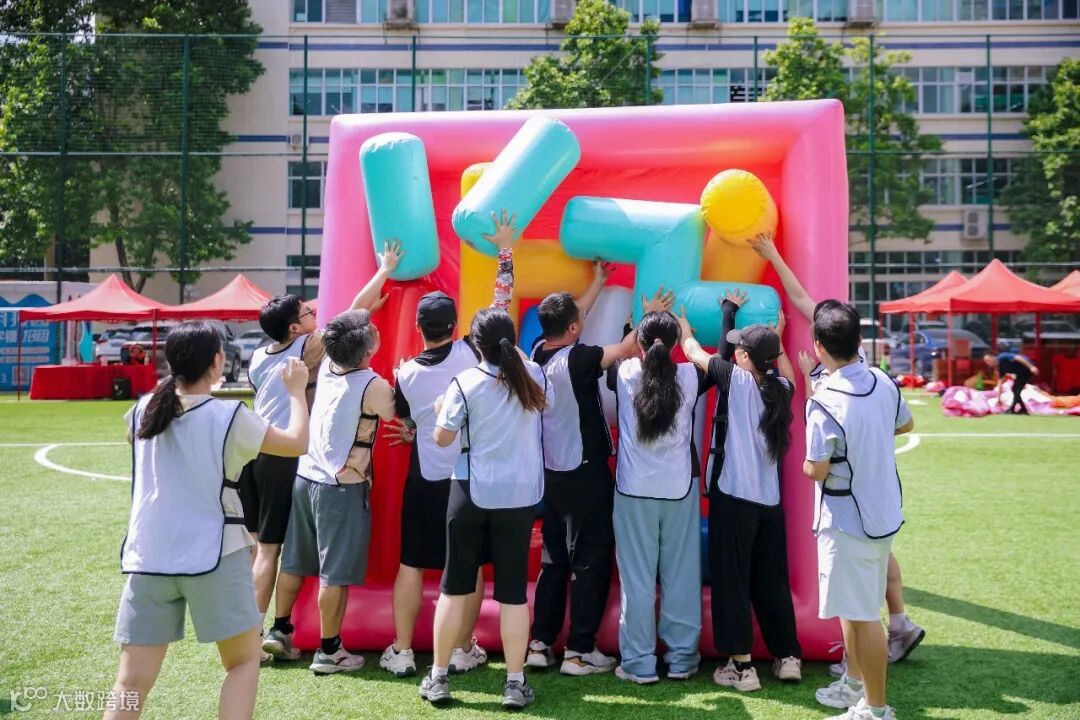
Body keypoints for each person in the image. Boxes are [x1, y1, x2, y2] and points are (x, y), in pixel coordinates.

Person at [105, 321, 311, 720]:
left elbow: (144, 430)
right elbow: (297, 443)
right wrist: (296, 393)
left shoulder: (143, 410)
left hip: (148, 556)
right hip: (216, 553)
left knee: (130, 683)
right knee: (242, 662)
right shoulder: (229, 416)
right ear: (218, 362)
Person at [750, 233, 925, 669]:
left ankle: (856, 673)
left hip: (850, 505)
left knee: (853, 597)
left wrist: (811, 384)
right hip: (882, 497)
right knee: (879, 560)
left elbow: (818, 457)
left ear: (821, 344)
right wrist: (774, 254)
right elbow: (904, 423)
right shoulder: (874, 373)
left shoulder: (830, 388)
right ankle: (899, 624)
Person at [379, 211, 518, 678]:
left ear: (419, 328)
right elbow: (501, 303)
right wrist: (504, 250)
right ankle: (461, 648)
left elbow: (404, 416)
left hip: (425, 477)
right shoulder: (471, 353)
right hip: (467, 479)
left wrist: (413, 429)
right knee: (469, 565)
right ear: (456, 324)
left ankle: (401, 651)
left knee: (411, 563)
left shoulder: (404, 373)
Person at [253, 242, 402, 664]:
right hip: (318, 469)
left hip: (289, 465)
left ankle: (278, 629)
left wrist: (366, 312)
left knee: (284, 556)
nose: (313, 313)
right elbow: (350, 313)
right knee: (324, 568)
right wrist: (384, 271)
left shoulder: (272, 357)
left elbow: (349, 318)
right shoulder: (326, 360)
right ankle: (327, 649)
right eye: (306, 313)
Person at [419, 308, 552, 709]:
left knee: (454, 587)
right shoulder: (534, 374)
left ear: (476, 345)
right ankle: (514, 682)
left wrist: (442, 408)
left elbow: (442, 438)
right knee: (513, 594)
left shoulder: (464, 383)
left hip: (470, 492)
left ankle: (439, 676)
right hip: (518, 497)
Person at [525, 262, 646, 676]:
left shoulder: (538, 350)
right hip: (586, 470)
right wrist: (648, 315)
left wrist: (597, 282)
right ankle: (579, 650)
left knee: (554, 559)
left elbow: (575, 317)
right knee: (591, 557)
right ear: (574, 328)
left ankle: (540, 642)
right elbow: (626, 348)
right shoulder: (579, 359)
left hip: (553, 472)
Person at [678, 292, 803, 692]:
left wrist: (684, 327)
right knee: (771, 580)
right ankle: (788, 656)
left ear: (746, 358)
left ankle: (742, 666)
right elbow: (788, 374)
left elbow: (694, 352)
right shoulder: (781, 388)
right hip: (769, 504)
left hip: (734, 498)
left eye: (739, 350)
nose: (734, 353)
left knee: (732, 580)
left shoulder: (737, 380)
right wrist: (778, 338)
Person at [804, 301, 914, 720]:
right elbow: (906, 424)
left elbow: (815, 469)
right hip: (881, 510)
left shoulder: (825, 399)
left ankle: (876, 708)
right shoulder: (883, 381)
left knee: (864, 616)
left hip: (848, 520)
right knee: (853, 609)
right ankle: (854, 685)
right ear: (859, 340)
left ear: (819, 347)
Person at [610, 310, 705, 685]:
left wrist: (634, 322)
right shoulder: (690, 375)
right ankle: (682, 659)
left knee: (637, 580)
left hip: (634, 490)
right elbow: (709, 362)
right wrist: (687, 333)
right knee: (682, 575)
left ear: (640, 342)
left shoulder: (625, 372)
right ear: (676, 342)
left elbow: (622, 351)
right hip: (678, 488)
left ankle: (639, 663)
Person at [996, 347, 1038, 414]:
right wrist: (998, 399)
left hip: (1027, 369)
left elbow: (1018, 357)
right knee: (1015, 390)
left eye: (988, 360)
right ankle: (1021, 409)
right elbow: (1000, 383)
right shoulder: (1000, 368)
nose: (988, 363)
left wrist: (1031, 367)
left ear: (993, 357)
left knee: (1015, 389)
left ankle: (1014, 409)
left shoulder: (1001, 357)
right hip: (1021, 373)